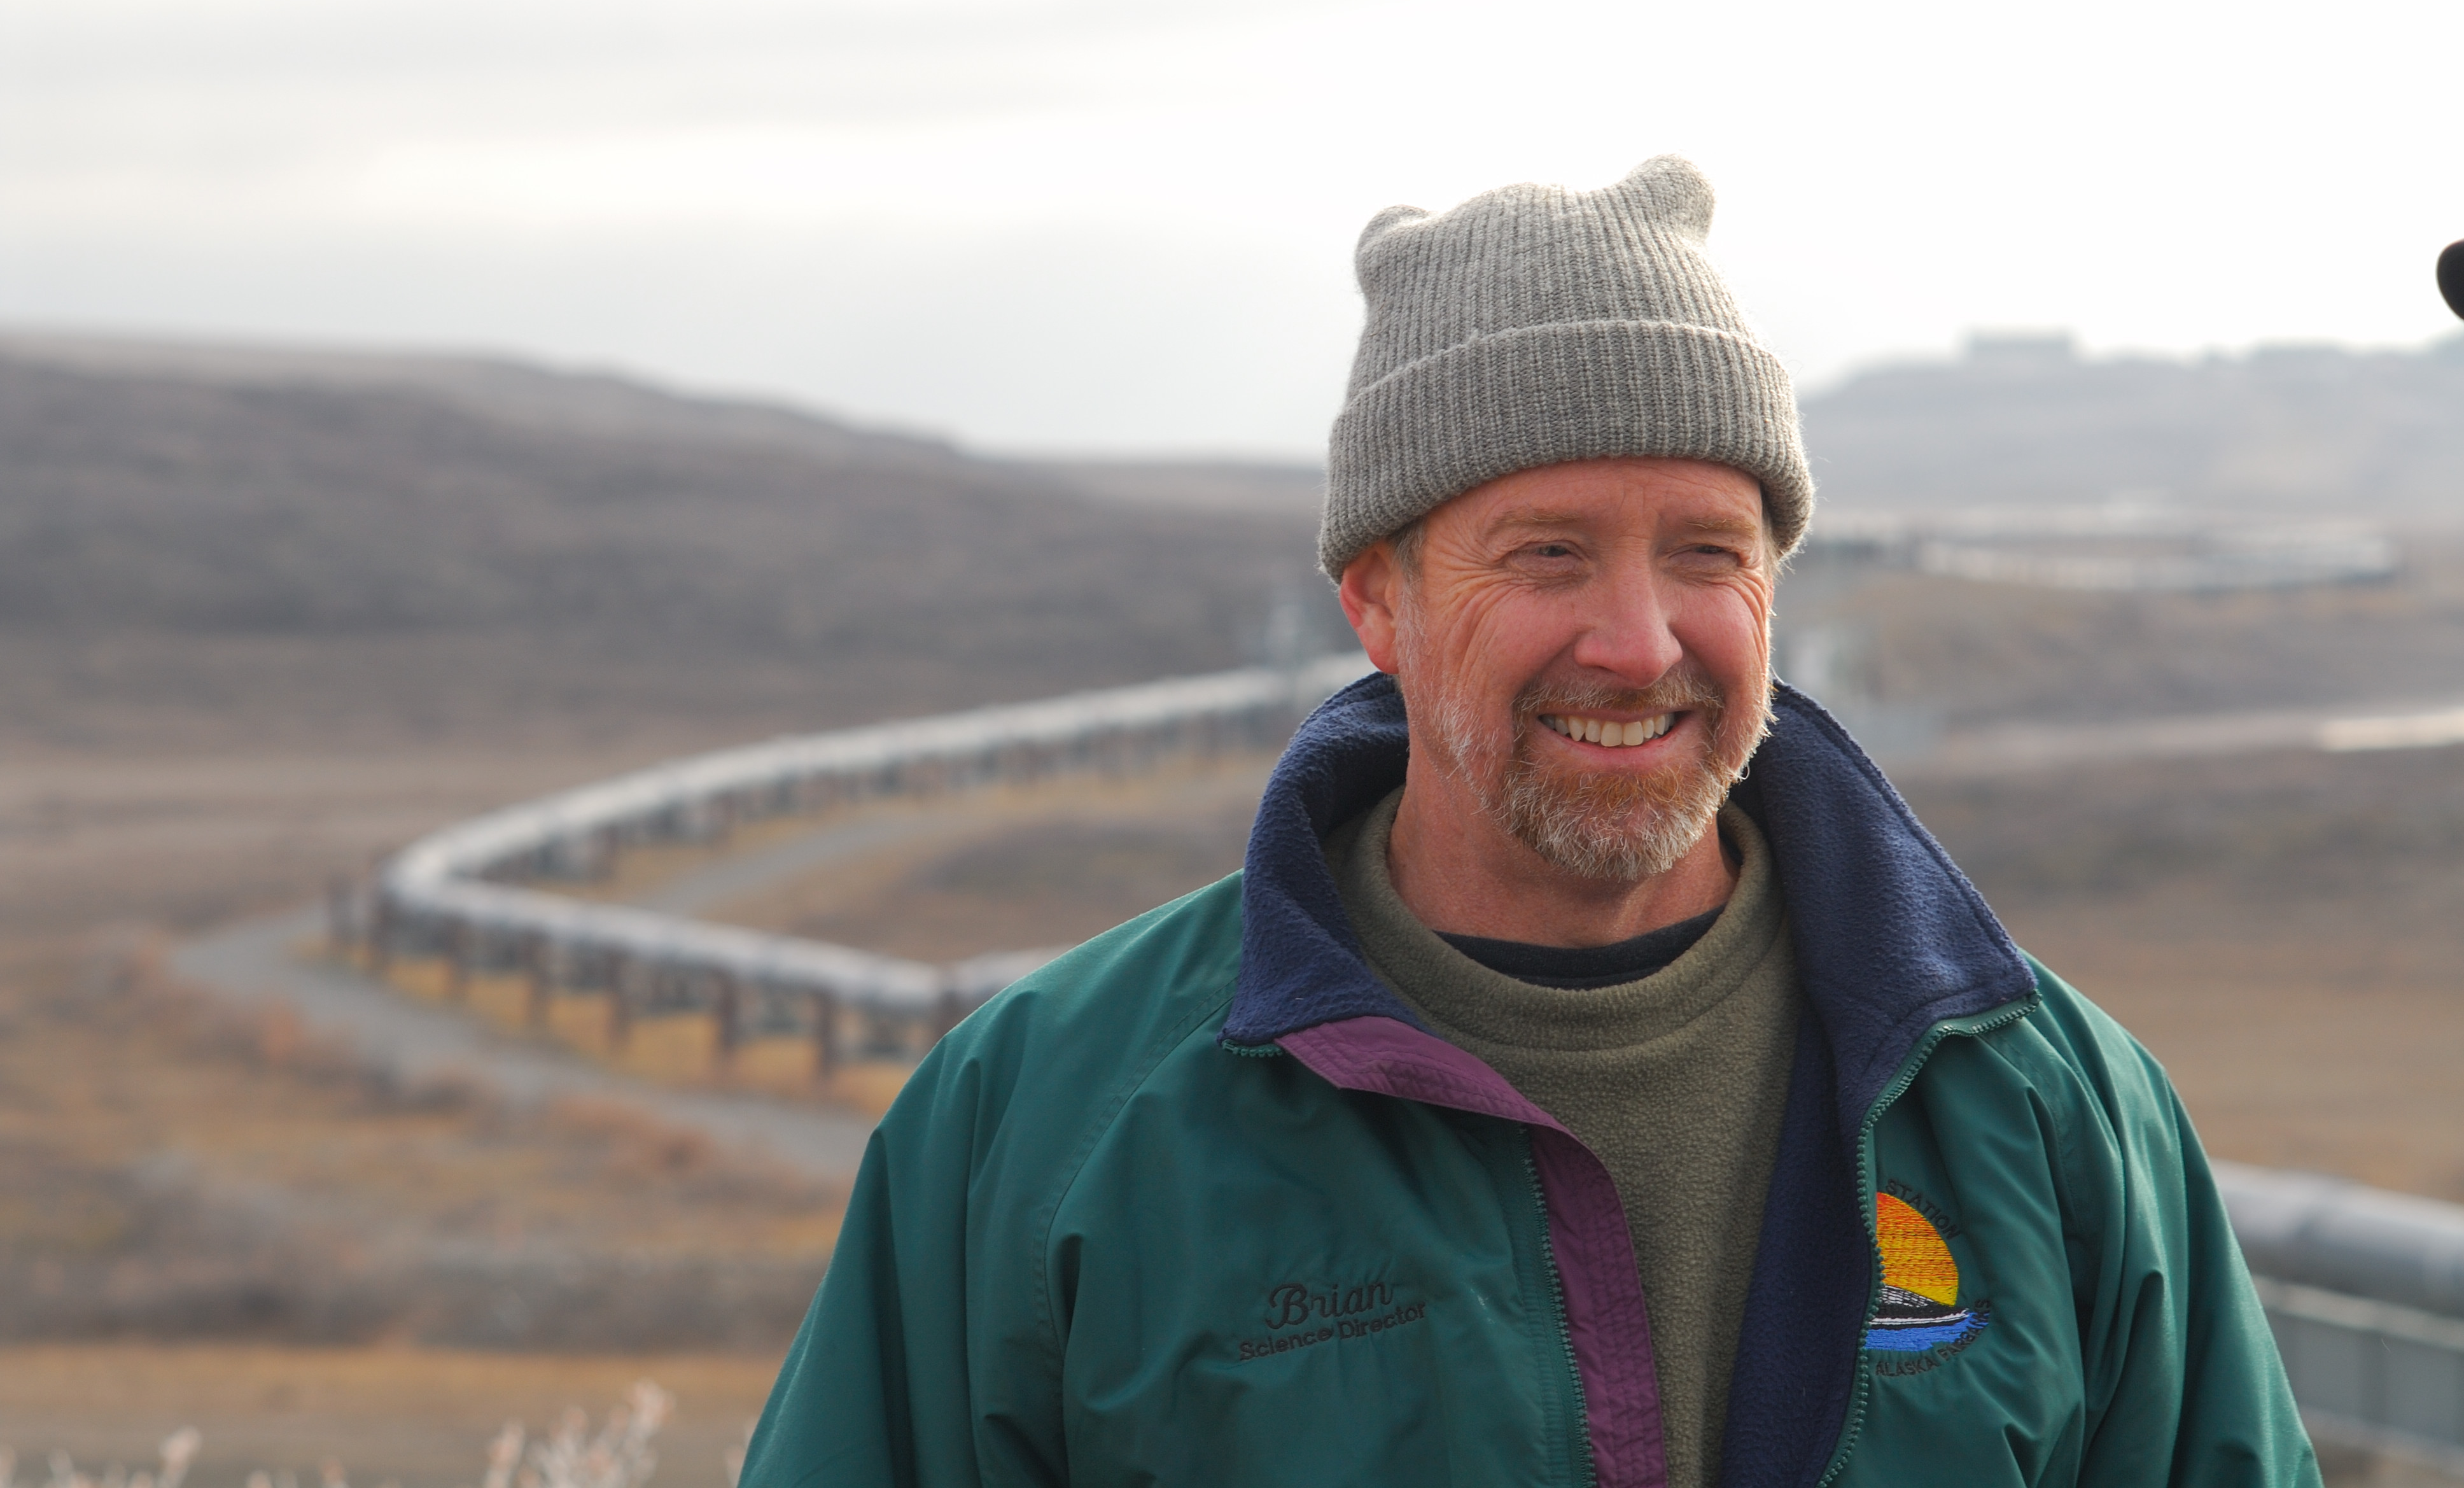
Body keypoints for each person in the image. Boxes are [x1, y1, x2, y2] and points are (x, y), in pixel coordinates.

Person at [741, 157, 2319, 1487]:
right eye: (1547, 553)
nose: (1636, 642)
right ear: (1377, 599)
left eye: (1708, 552)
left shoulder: (2051, 1112)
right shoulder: (1045, 1123)